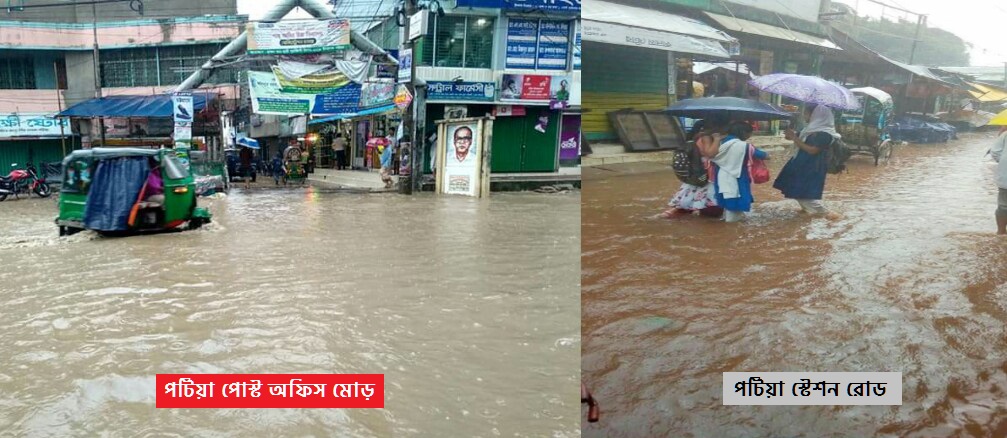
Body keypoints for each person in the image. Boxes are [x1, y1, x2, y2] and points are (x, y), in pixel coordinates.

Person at [773, 105, 841, 219]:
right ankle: (806, 210)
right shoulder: (809, 130)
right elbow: (792, 138)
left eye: (807, 113)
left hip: (812, 167)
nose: (804, 116)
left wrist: (795, 138)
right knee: (796, 188)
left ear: (816, 115)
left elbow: (812, 150)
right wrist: (790, 134)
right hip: (801, 164)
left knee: (803, 192)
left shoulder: (825, 134)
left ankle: (827, 214)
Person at [661, 116, 727, 219]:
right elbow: (710, 154)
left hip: (699, 173)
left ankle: (669, 214)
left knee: (690, 198)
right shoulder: (707, 137)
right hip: (707, 173)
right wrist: (717, 139)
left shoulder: (699, 135)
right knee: (707, 203)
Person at [710, 121, 768, 223]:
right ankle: (731, 231)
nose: (750, 135)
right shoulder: (743, 146)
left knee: (727, 201)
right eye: (750, 133)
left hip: (721, 176)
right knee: (736, 202)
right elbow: (764, 155)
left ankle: (725, 224)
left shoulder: (719, 142)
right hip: (737, 176)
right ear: (744, 133)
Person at [988, 126, 1007, 234]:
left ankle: (1001, 232)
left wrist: (1004, 160)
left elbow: (994, 151)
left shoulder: (1005, 134)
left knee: (1004, 205)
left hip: (1005, 175)